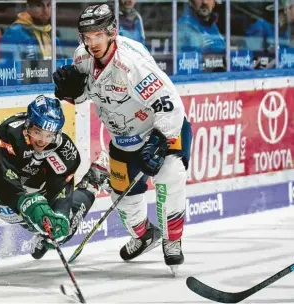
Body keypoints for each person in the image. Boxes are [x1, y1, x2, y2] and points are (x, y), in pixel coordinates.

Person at [53, 4, 192, 275]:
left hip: (158, 130)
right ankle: (144, 236)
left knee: (170, 177)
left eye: (98, 35)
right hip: (122, 139)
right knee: (124, 200)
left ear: (112, 32)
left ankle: (172, 241)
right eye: (86, 35)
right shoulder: (82, 57)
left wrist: (161, 139)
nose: (91, 42)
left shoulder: (131, 65)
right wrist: (71, 92)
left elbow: (170, 104)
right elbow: (90, 93)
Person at [0, 95, 110, 259]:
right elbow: (4, 181)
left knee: (63, 229)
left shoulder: (65, 151)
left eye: (49, 135)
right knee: (17, 213)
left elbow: (62, 190)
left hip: (32, 174)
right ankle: (41, 232)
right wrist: (30, 203)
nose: (43, 141)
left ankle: (93, 181)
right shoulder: (9, 134)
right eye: (38, 132)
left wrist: (61, 217)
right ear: (28, 125)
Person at [0, 0, 64, 62]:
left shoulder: (51, 34)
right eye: (39, 5)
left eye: (49, 5)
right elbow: (10, 68)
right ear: (28, 7)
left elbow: (60, 65)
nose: (45, 10)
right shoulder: (14, 32)